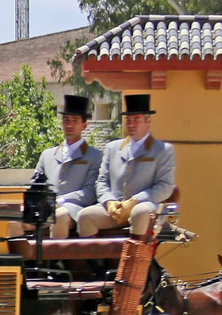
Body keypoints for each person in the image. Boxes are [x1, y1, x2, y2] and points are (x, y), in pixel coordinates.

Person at [75, 94, 176, 238]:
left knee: (139, 212)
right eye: (128, 120)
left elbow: (165, 187)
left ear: (148, 121)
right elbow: (101, 181)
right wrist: (109, 202)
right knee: (85, 216)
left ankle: (134, 258)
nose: (131, 124)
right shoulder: (112, 148)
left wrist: (135, 201)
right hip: (115, 209)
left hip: (144, 206)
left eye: (136, 119)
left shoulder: (162, 150)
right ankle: (95, 260)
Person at [29, 95, 100, 238]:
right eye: (66, 120)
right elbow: (34, 185)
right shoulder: (47, 155)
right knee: (11, 220)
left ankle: (57, 260)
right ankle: (21, 259)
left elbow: (90, 192)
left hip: (74, 210)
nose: (69, 125)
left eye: (75, 121)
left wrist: (58, 201)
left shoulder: (95, 156)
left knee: (59, 216)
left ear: (84, 125)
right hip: (45, 208)